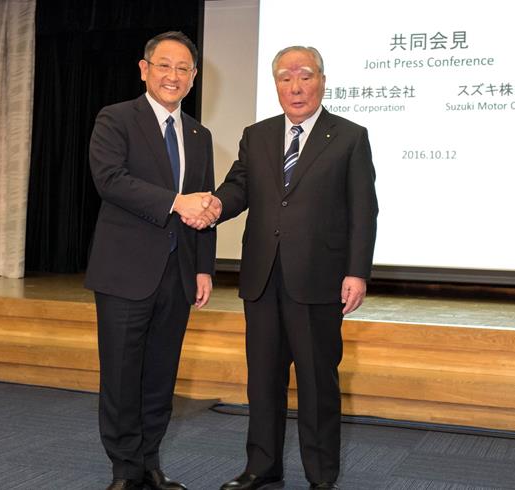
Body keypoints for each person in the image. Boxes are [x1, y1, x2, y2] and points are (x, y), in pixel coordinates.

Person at [203, 46, 378, 490]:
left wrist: (357, 271)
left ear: (322, 79)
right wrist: (215, 205)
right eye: (285, 77)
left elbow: (363, 210)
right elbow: (239, 187)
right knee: (262, 380)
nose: (295, 86)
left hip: (318, 280)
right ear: (275, 83)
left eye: (305, 76)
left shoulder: (349, 136)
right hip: (262, 277)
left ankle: (321, 475)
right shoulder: (256, 134)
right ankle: (262, 466)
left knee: (318, 384)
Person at [85, 31, 217, 490]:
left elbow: (203, 207)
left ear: (194, 77)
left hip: (178, 274)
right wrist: (176, 202)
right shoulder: (116, 118)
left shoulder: (200, 134)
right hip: (124, 272)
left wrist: (203, 266)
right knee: (121, 376)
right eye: (164, 65)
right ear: (145, 69)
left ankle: (150, 464)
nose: (173, 76)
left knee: (161, 377)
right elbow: (110, 180)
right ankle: (124, 470)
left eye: (183, 69)